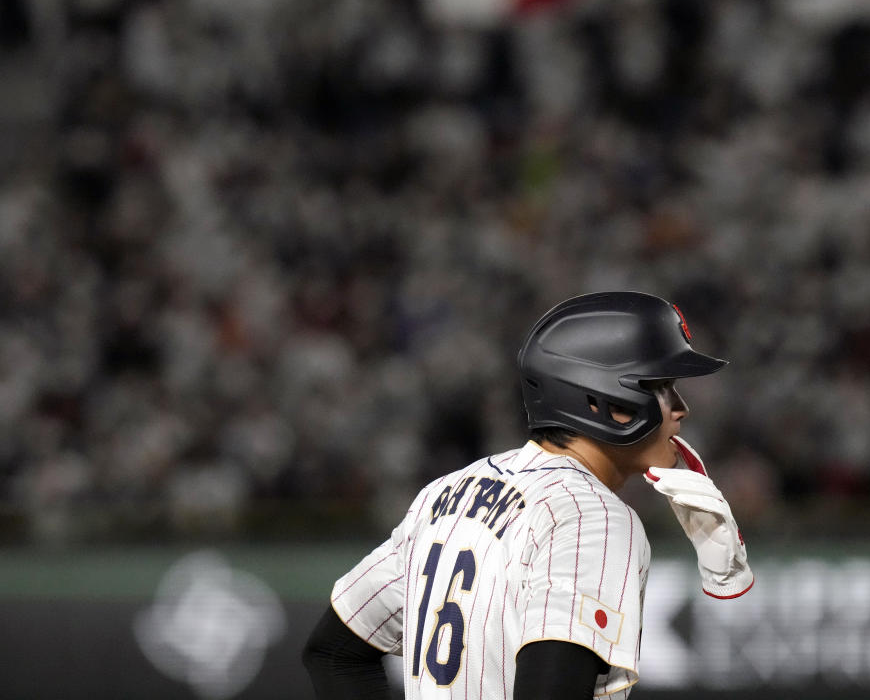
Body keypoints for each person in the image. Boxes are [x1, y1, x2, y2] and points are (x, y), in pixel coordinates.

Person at [302, 291, 754, 699]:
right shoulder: (591, 516)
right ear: (608, 402)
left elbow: (334, 654)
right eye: (661, 387)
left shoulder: (445, 493)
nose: (681, 409)